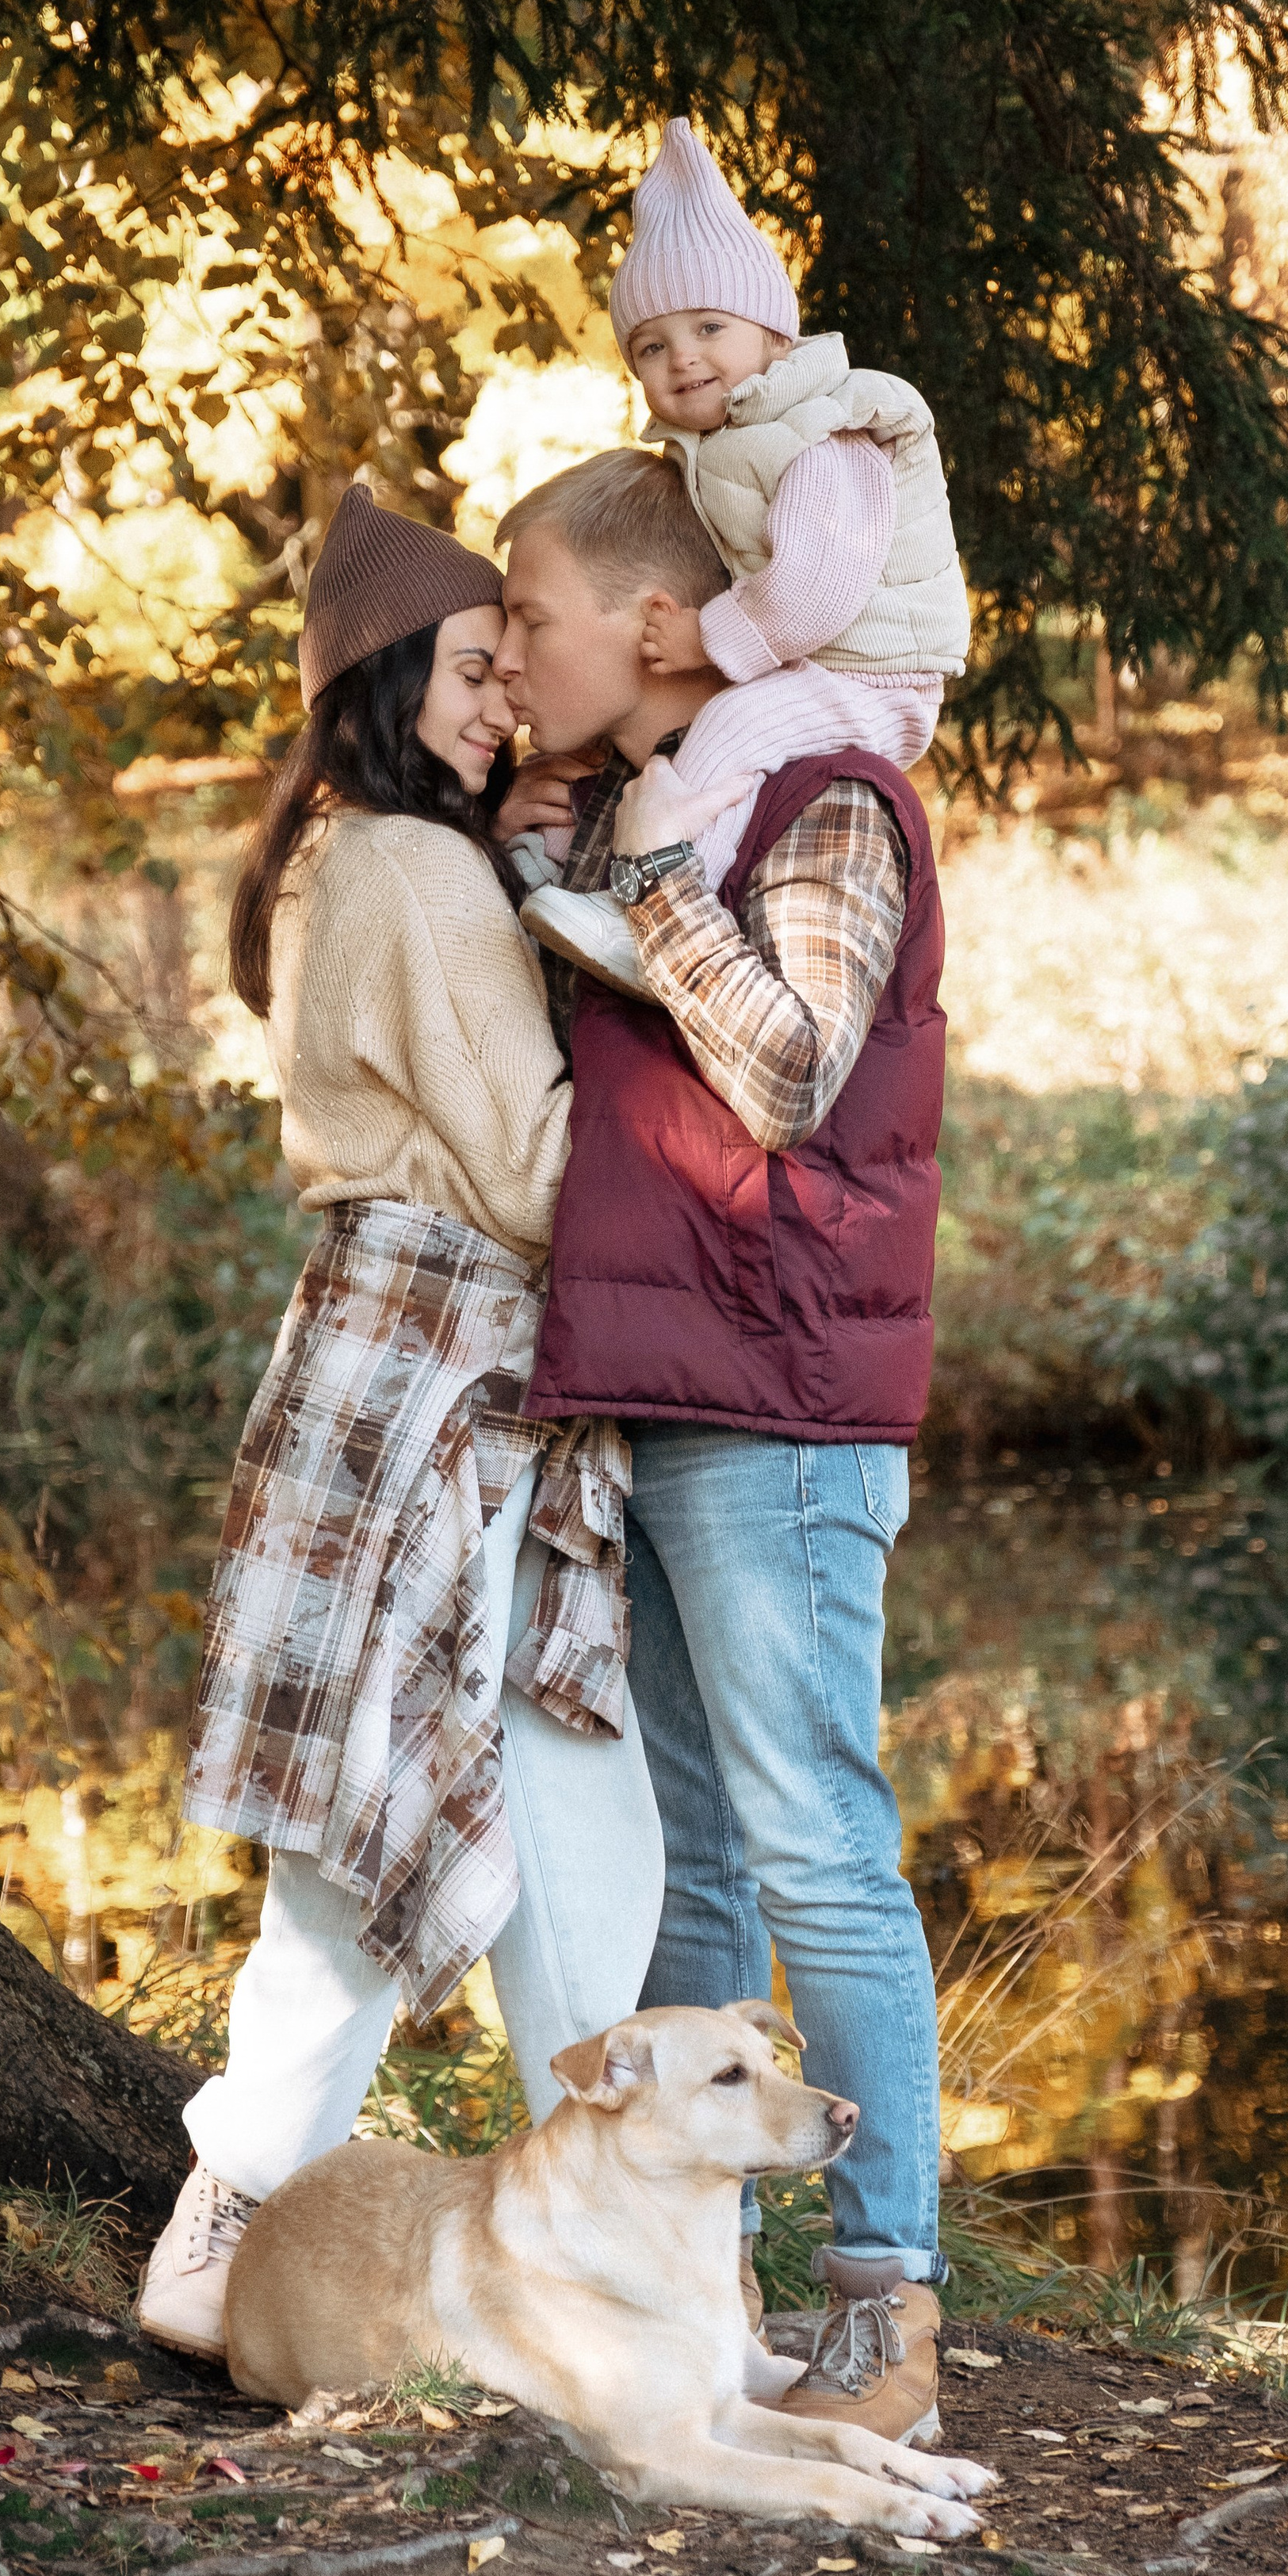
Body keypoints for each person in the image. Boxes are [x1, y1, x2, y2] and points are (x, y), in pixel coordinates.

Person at [137, 487, 664, 2362]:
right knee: (392, 1821)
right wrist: (662, 1027)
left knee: (523, 1802)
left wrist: (513, 875)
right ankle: (221, 2235)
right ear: (378, 678)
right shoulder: (421, 875)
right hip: (447, 1364)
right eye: (464, 664)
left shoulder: (362, 859)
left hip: (397, 1357)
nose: (502, 688)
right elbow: (530, 1168)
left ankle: (587, 2228)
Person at [492, 446, 954, 2446]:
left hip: (776, 1394)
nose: (509, 651)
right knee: (687, 1863)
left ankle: (886, 2308)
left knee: (814, 1846)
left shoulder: (819, 795)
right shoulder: (629, 809)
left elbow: (784, 1068)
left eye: (530, 615)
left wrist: (638, 882)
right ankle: (697, 2291)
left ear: (656, 627)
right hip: (667, 1388)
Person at [518, 117, 967, 999]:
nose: (681, 355)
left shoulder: (824, 429)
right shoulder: (732, 446)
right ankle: (582, 866)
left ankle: (659, 903)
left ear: (773, 337)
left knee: (730, 729)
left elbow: (815, 589)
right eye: (651, 345)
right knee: (692, 742)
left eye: (709, 326)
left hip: (876, 675)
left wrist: (705, 641)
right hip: (820, 664)